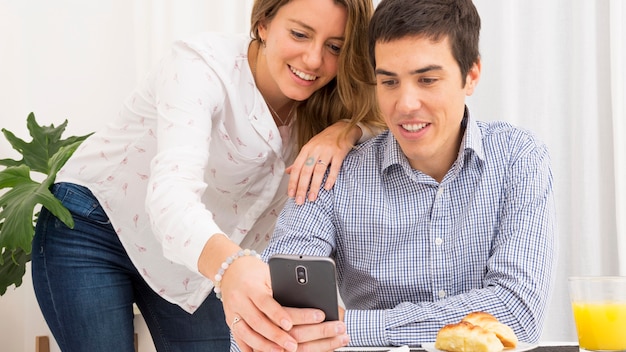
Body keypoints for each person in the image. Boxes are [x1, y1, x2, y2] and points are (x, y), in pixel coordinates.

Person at [31, 0, 384, 351]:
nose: (313, 60)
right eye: (299, 34)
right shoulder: (199, 67)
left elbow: (396, 120)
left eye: (334, 46)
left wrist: (345, 130)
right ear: (263, 23)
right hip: (96, 225)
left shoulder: (337, 104)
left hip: (192, 260)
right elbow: (172, 195)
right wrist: (232, 266)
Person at [261, 0, 558, 347]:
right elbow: (273, 314)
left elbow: (516, 314)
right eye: (389, 82)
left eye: (427, 79)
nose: (405, 104)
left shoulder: (518, 158)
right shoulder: (333, 172)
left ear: (471, 75)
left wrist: (348, 329)